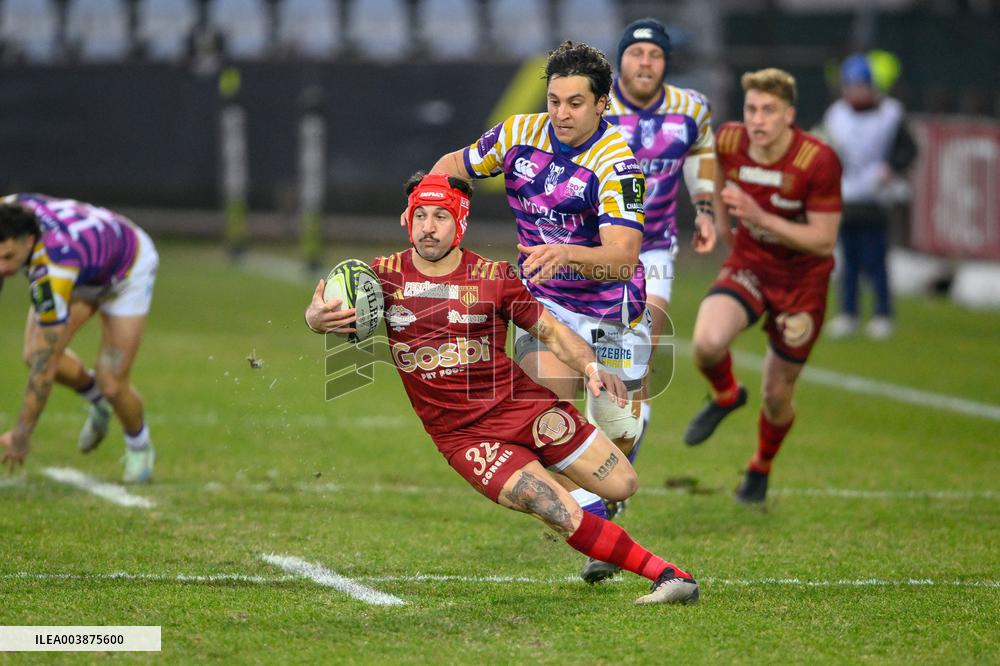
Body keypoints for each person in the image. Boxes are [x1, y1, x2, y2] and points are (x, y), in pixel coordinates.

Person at [309, 172, 699, 604]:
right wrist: (315, 318)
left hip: (525, 409)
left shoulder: (493, 276)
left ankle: (588, 514)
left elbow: (550, 331)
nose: (428, 226)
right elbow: (327, 308)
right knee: (552, 507)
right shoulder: (380, 278)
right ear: (408, 219)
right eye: (420, 215)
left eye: (441, 216)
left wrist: (589, 366)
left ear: (460, 222)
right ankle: (670, 576)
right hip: (465, 437)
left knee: (622, 484)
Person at [421, 41, 651, 582]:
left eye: (575, 102)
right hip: (541, 304)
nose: (561, 114)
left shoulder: (618, 165)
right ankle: (599, 531)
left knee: (617, 434)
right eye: (554, 100)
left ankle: (605, 492)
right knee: (546, 418)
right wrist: (434, 208)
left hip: (612, 314)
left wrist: (567, 252)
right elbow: (453, 166)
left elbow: (622, 260)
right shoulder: (516, 135)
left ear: (601, 104)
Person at [683, 69, 843, 503]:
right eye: (752, 108)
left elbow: (824, 239)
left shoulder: (818, 160)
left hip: (802, 283)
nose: (758, 119)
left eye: (769, 110)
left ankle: (760, 467)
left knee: (776, 395)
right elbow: (711, 173)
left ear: (789, 115)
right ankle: (727, 394)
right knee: (706, 343)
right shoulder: (731, 140)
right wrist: (716, 219)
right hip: (751, 265)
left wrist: (758, 216)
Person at [604, 16, 717, 493]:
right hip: (594, 252)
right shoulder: (595, 105)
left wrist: (706, 207)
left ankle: (614, 480)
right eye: (636, 53)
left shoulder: (691, 107)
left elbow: (701, 151)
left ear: (666, 63)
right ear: (621, 59)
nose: (645, 62)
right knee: (580, 369)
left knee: (635, 356)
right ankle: (595, 462)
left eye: (654, 55)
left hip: (652, 250)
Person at [0, 194, 158, 482]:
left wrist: (23, 432)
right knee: (33, 352)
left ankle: (140, 446)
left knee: (111, 381)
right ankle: (97, 401)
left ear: (28, 240)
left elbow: (46, 366)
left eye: (8, 257)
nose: (2, 266)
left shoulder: (52, 271)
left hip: (126, 271)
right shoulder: (9, 210)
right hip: (86, 263)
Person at [822, 53, 917, 340]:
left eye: (861, 86)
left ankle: (882, 313)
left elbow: (909, 150)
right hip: (845, 196)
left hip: (876, 197)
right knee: (847, 260)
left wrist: (891, 169)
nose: (856, 92)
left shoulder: (891, 114)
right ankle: (848, 313)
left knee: (876, 259)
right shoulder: (836, 115)